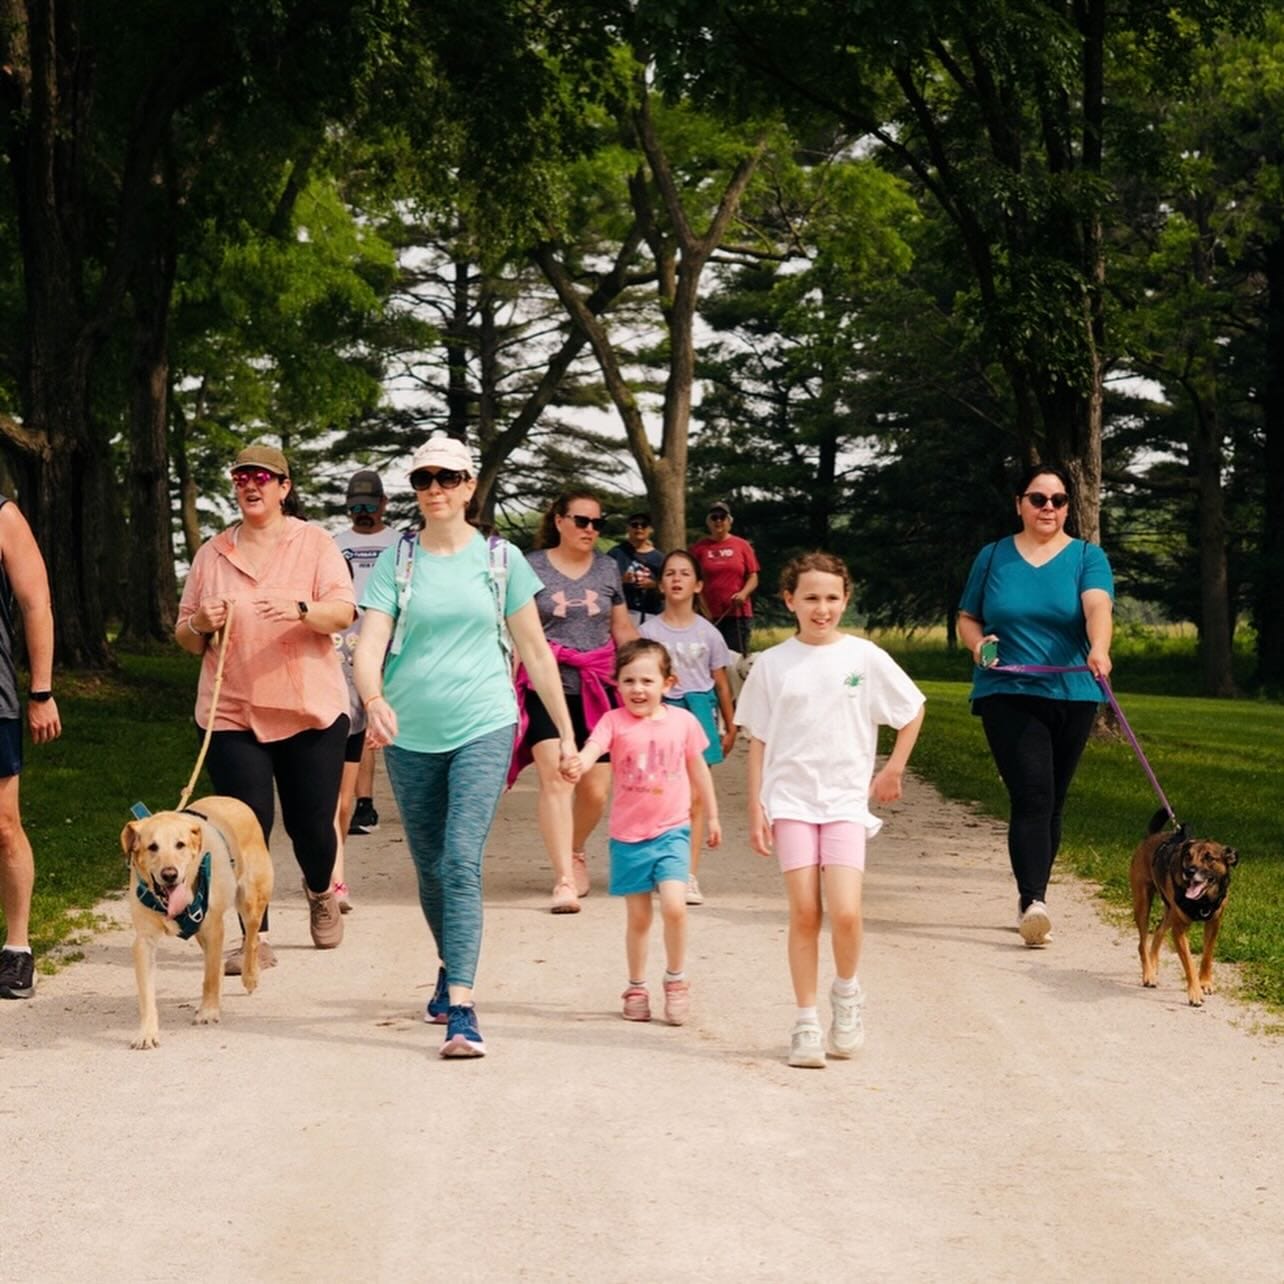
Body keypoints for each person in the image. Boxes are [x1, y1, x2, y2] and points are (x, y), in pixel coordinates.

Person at [354, 435, 580, 1058]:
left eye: (447, 479)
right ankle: (448, 960)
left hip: (484, 722)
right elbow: (369, 644)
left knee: (459, 860)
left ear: (469, 486)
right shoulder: (397, 562)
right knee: (429, 869)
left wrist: (563, 734)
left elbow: (535, 651)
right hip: (409, 734)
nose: (435, 489)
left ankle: (462, 1006)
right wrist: (373, 700)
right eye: (424, 479)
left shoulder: (501, 560)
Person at [736, 552, 925, 1069]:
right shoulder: (773, 665)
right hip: (791, 802)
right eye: (811, 598)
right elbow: (757, 741)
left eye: (832, 598)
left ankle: (846, 996)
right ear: (789, 601)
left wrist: (892, 770)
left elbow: (912, 710)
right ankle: (804, 1023)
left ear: (845, 600)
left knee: (844, 910)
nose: (822, 608)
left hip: (844, 802)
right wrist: (756, 807)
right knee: (804, 912)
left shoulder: (863, 658)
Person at [177, 443, 356, 972]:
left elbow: (343, 612)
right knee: (244, 826)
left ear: (284, 487)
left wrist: (302, 609)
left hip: (307, 709)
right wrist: (200, 624)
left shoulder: (315, 543)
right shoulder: (212, 554)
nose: (250, 486)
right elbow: (185, 635)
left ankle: (321, 890)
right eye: (240, 478)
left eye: (261, 477)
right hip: (230, 710)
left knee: (311, 826)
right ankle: (253, 934)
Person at [956, 462, 1114, 948]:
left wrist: (1099, 647)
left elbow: (1096, 607)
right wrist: (978, 646)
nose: (1049, 508)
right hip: (1008, 691)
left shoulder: (1088, 556)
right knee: (1033, 795)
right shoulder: (994, 556)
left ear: (1069, 506)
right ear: (1019, 503)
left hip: (1074, 692)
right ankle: (1034, 901)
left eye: (1059, 500)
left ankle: (1033, 895)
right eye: (1038, 498)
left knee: (1054, 801)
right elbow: (968, 617)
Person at [575, 639, 720, 1025]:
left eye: (647, 681)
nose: (638, 689)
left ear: (668, 683)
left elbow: (699, 770)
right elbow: (594, 748)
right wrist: (580, 762)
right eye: (628, 681)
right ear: (616, 684)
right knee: (638, 919)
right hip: (628, 836)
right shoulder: (613, 721)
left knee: (674, 906)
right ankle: (636, 986)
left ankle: (675, 979)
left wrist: (715, 816)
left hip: (672, 831)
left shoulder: (684, 723)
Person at [513, 491, 636, 913]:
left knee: (597, 790)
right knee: (556, 776)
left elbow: (621, 627)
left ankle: (576, 847)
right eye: (582, 521)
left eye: (597, 524)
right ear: (560, 520)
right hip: (546, 685)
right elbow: (520, 629)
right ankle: (564, 877)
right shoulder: (532, 567)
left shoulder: (607, 568)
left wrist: (645, 673)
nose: (590, 530)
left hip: (597, 685)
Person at [640, 549, 736, 905]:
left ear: (698, 585)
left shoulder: (709, 633)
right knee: (658, 793)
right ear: (661, 584)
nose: (677, 579)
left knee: (695, 796)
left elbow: (722, 682)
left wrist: (730, 725)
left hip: (699, 714)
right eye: (670, 574)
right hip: (660, 714)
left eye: (684, 574)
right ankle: (657, 864)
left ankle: (687, 873)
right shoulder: (647, 632)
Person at [0, 498, 63, 1000]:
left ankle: (17, 948)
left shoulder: (3, 515)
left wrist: (40, 691)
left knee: (3, 826)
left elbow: (36, 603)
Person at [331, 467, 399, 911]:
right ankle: (362, 802)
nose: (362, 512)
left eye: (369, 505)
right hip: (344, 644)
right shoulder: (335, 542)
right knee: (358, 724)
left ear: (383, 505)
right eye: (354, 505)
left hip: (391, 641)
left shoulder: (398, 544)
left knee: (388, 724)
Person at [690, 501, 759, 656]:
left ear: (729, 521)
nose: (718, 521)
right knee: (708, 659)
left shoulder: (742, 545)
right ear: (709, 522)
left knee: (734, 659)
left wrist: (743, 593)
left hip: (737, 613)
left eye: (722, 517)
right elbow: (692, 578)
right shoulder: (699, 548)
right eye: (714, 518)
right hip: (708, 614)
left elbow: (753, 576)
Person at [608, 512, 664, 625]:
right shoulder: (616, 553)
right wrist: (622, 580)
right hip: (623, 612)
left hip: (652, 613)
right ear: (627, 528)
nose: (639, 528)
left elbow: (668, 586)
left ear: (650, 529)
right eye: (634, 524)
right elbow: (602, 581)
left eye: (644, 525)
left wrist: (653, 585)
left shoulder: (660, 558)